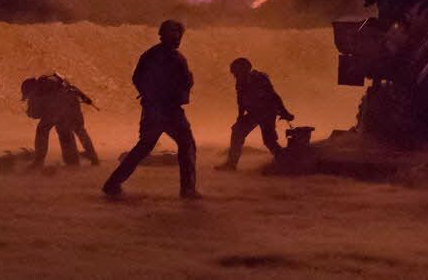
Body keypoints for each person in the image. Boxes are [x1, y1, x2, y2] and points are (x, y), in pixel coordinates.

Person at [102, 19, 199, 199]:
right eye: (173, 33)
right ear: (163, 34)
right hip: (165, 110)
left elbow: (139, 78)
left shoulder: (160, 55)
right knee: (185, 145)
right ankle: (188, 190)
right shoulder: (163, 56)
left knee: (147, 147)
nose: (177, 36)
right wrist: (155, 96)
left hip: (160, 108)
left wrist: (152, 96)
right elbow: (139, 78)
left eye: (178, 33)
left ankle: (112, 184)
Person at [215, 57, 293, 171]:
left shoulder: (260, 78)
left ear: (245, 69)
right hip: (254, 113)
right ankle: (231, 164)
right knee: (237, 131)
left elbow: (274, 96)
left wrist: (284, 111)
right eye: (234, 73)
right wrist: (240, 116)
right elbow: (240, 101)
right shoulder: (240, 81)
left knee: (269, 140)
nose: (234, 75)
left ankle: (284, 162)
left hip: (267, 112)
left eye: (236, 72)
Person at [21, 74, 99, 168]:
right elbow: (72, 88)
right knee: (76, 130)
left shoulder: (42, 88)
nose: (29, 98)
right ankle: (86, 158)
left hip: (62, 107)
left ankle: (42, 161)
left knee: (45, 129)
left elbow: (37, 113)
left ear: (31, 89)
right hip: (72, 104)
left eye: (28, 96)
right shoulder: (50, 81)